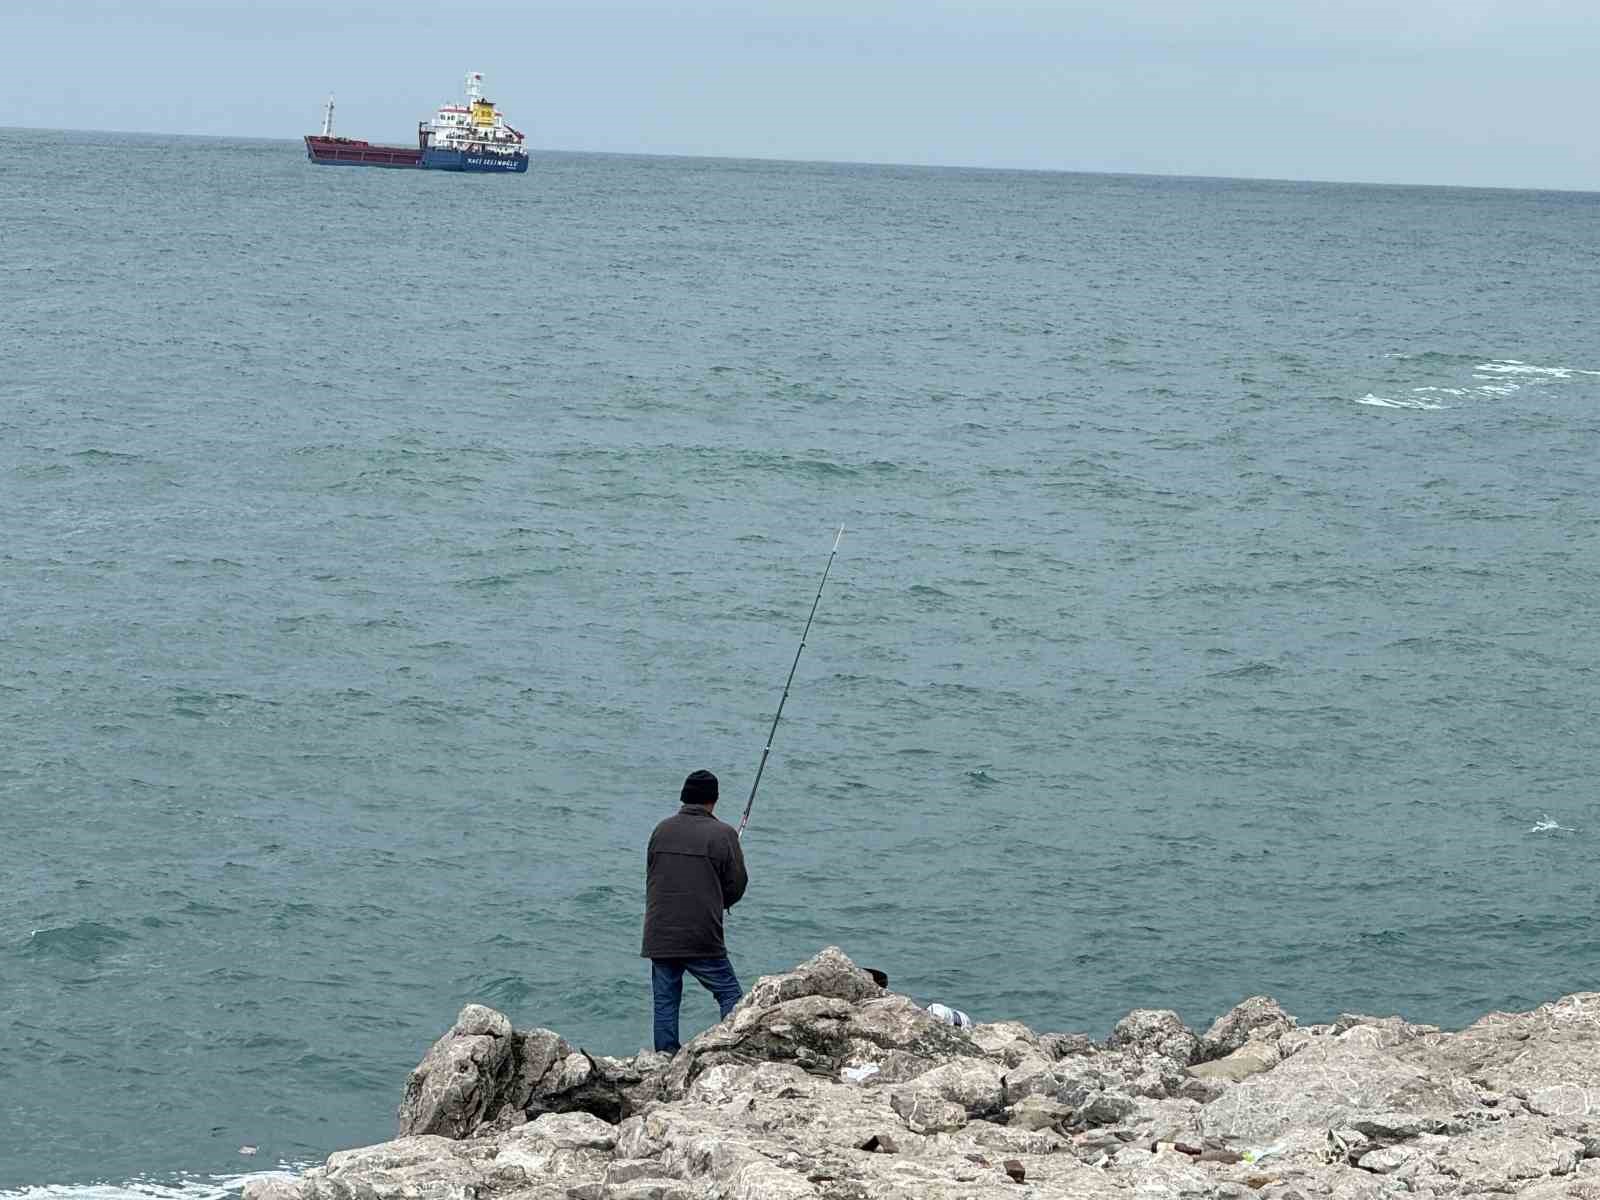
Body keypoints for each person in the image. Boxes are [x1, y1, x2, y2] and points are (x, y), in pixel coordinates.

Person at [642, 769, 748, 1053]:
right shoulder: (724, 834)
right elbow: (736, 886)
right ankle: (732, 1049)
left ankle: (665, 1057)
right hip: (700, 934)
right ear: (714, 800)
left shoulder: (661, 830)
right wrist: (719, 899)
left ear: (684, 797)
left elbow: (653, 875)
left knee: (665, 1001)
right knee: (730, 993)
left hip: (660, 932)